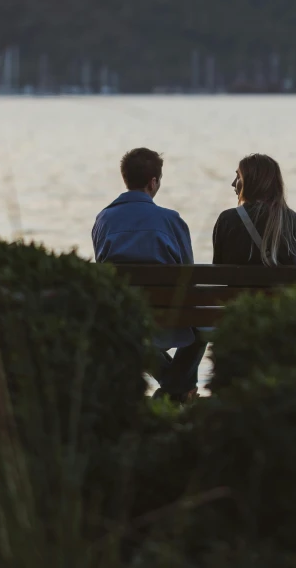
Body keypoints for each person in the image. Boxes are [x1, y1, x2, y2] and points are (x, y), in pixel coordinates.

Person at [92, 147, 206, 403]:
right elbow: (187, 271)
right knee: (202, 326)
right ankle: (175, 392)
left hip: (125, 315)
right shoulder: (170, 219)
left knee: (139, 339)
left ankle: (172, 390)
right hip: (171, 316)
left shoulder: (103, 220)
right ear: (153, 182)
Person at [213, 153, 296, 266]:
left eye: (238, 177)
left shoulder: (227, 220)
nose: (233, 184)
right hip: (285, 284)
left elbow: (217, 272)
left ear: (252, 181)